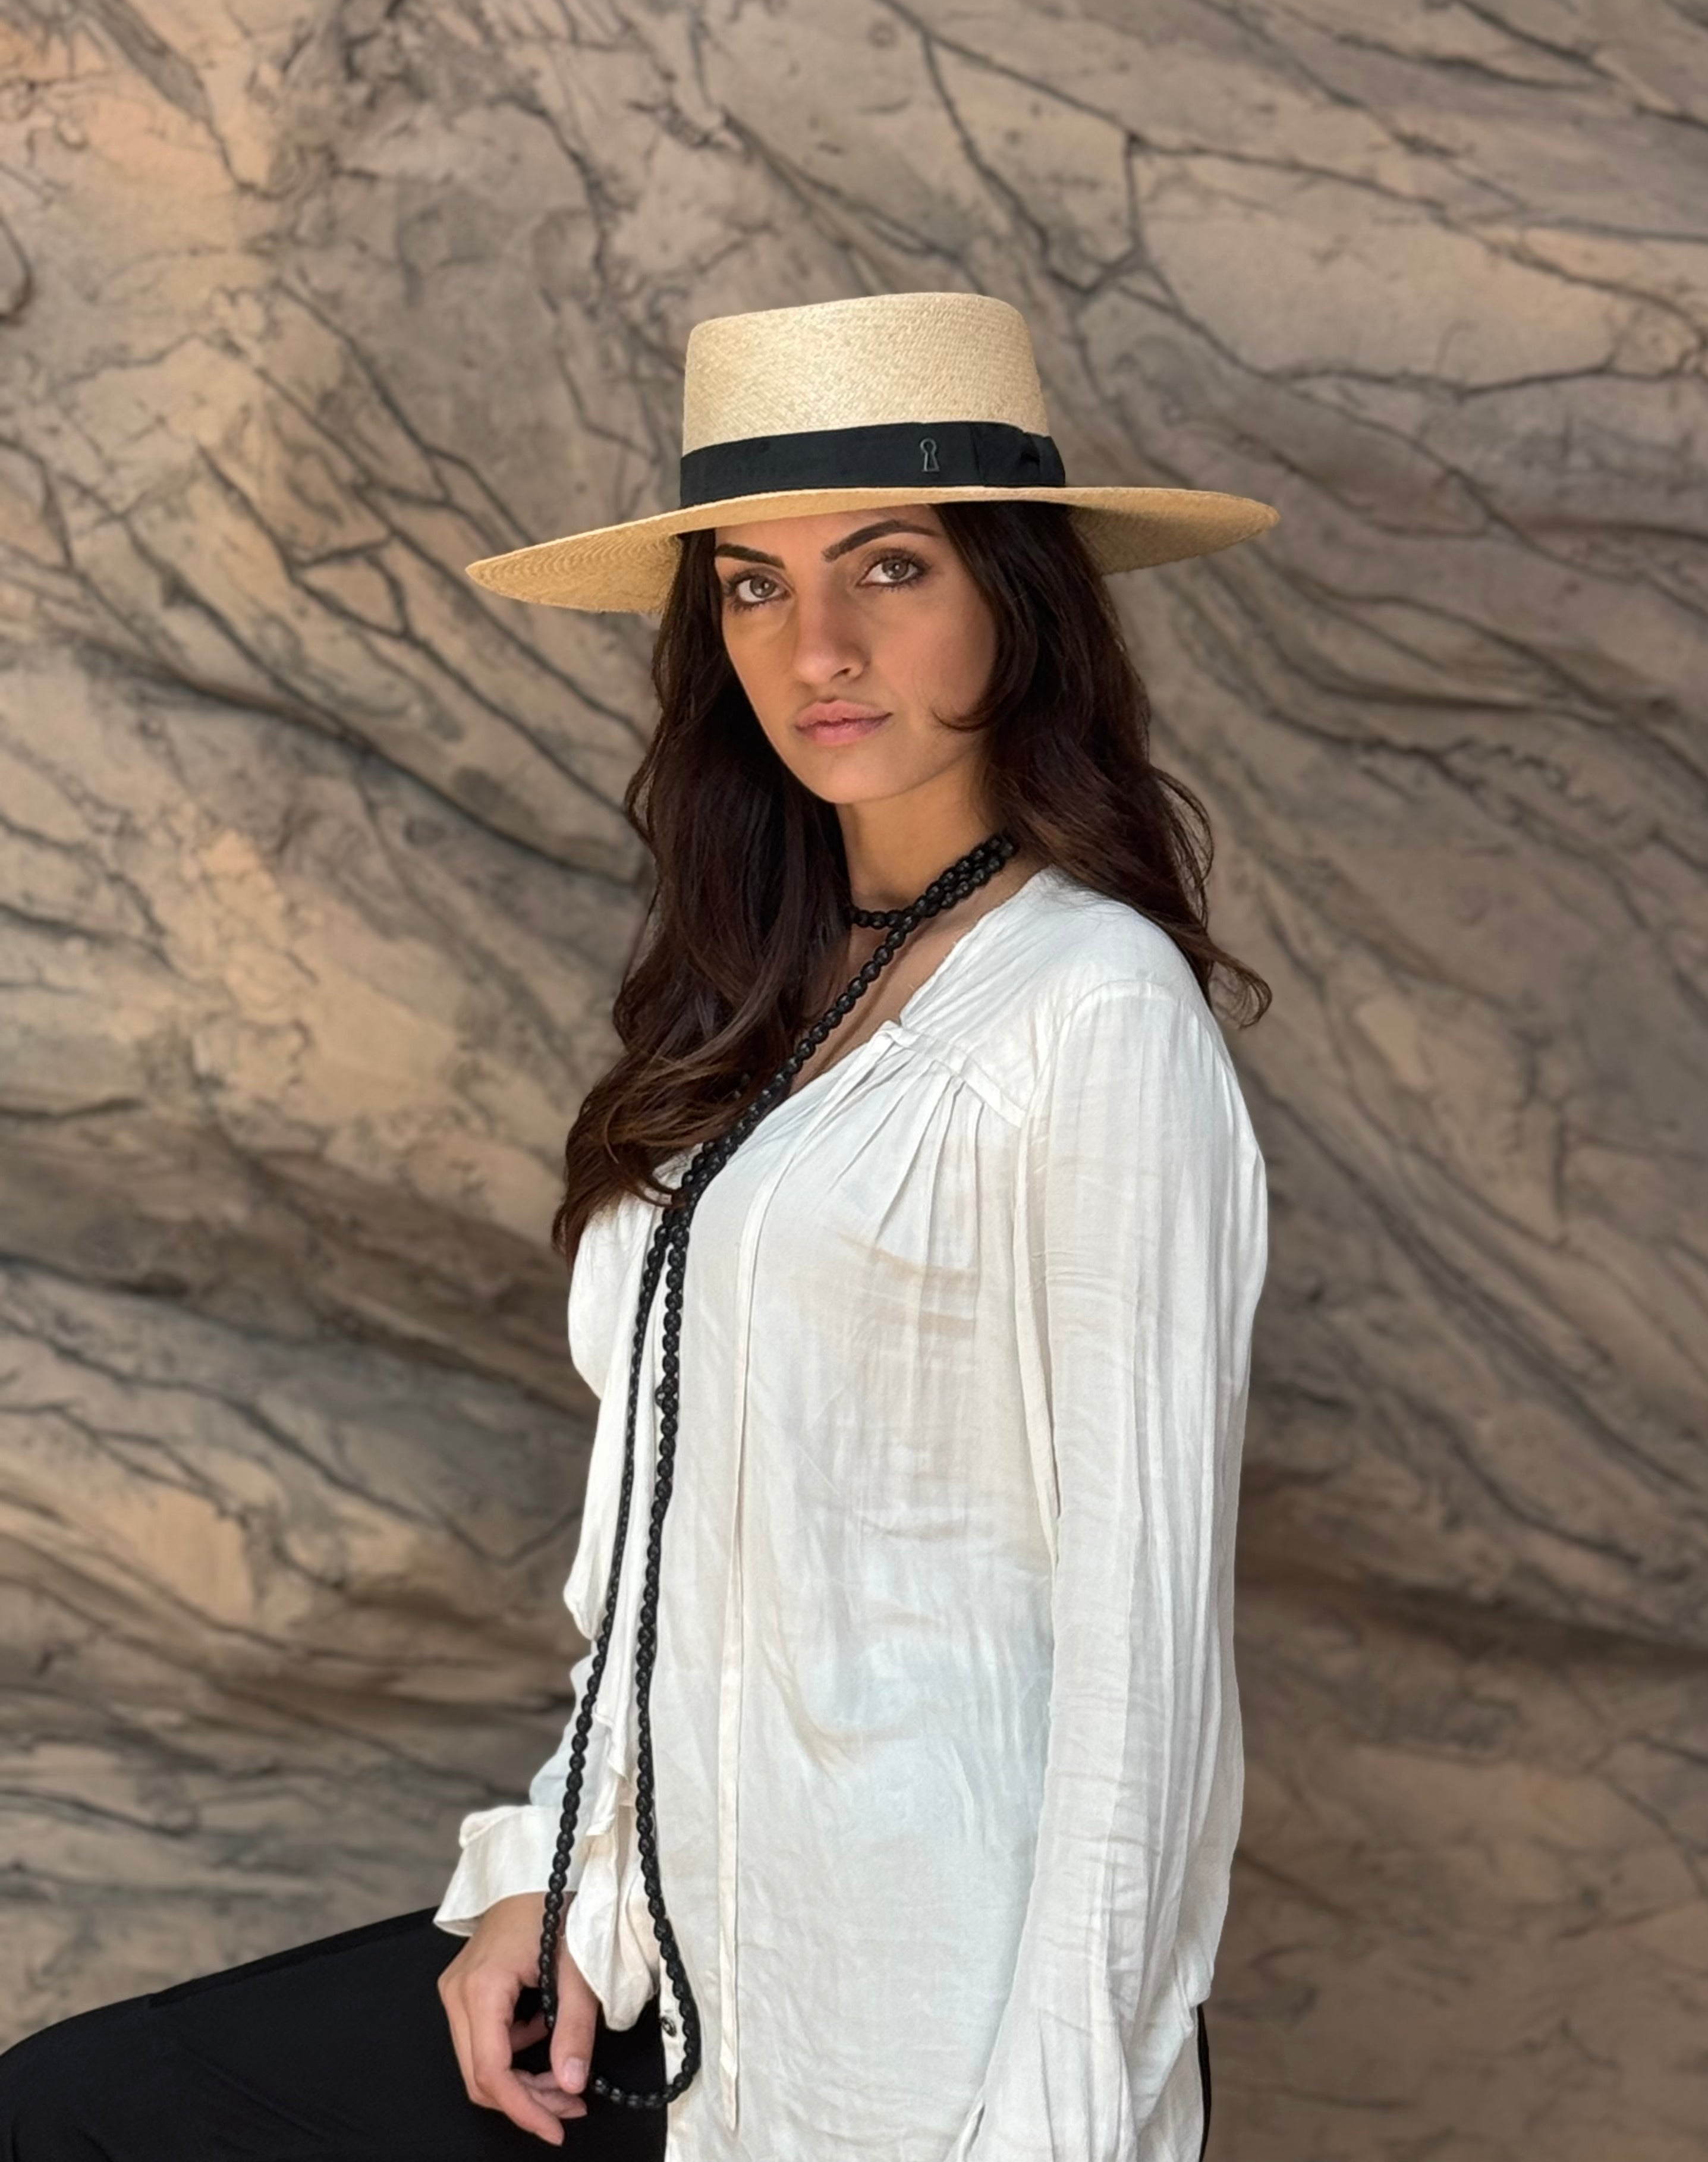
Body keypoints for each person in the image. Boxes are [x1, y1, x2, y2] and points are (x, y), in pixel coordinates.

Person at [0, 289, 1276, 2160]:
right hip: (659, 1962)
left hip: (917, 2029)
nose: (817, 645)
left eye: (890, 567)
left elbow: (1144, 1649)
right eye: (752, 586)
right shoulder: (760, 1000)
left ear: (1021, 596)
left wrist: (1063, 2118)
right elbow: (674, 1537)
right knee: (82, 2116)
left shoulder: (1091, 1016)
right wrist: (551, 1870)